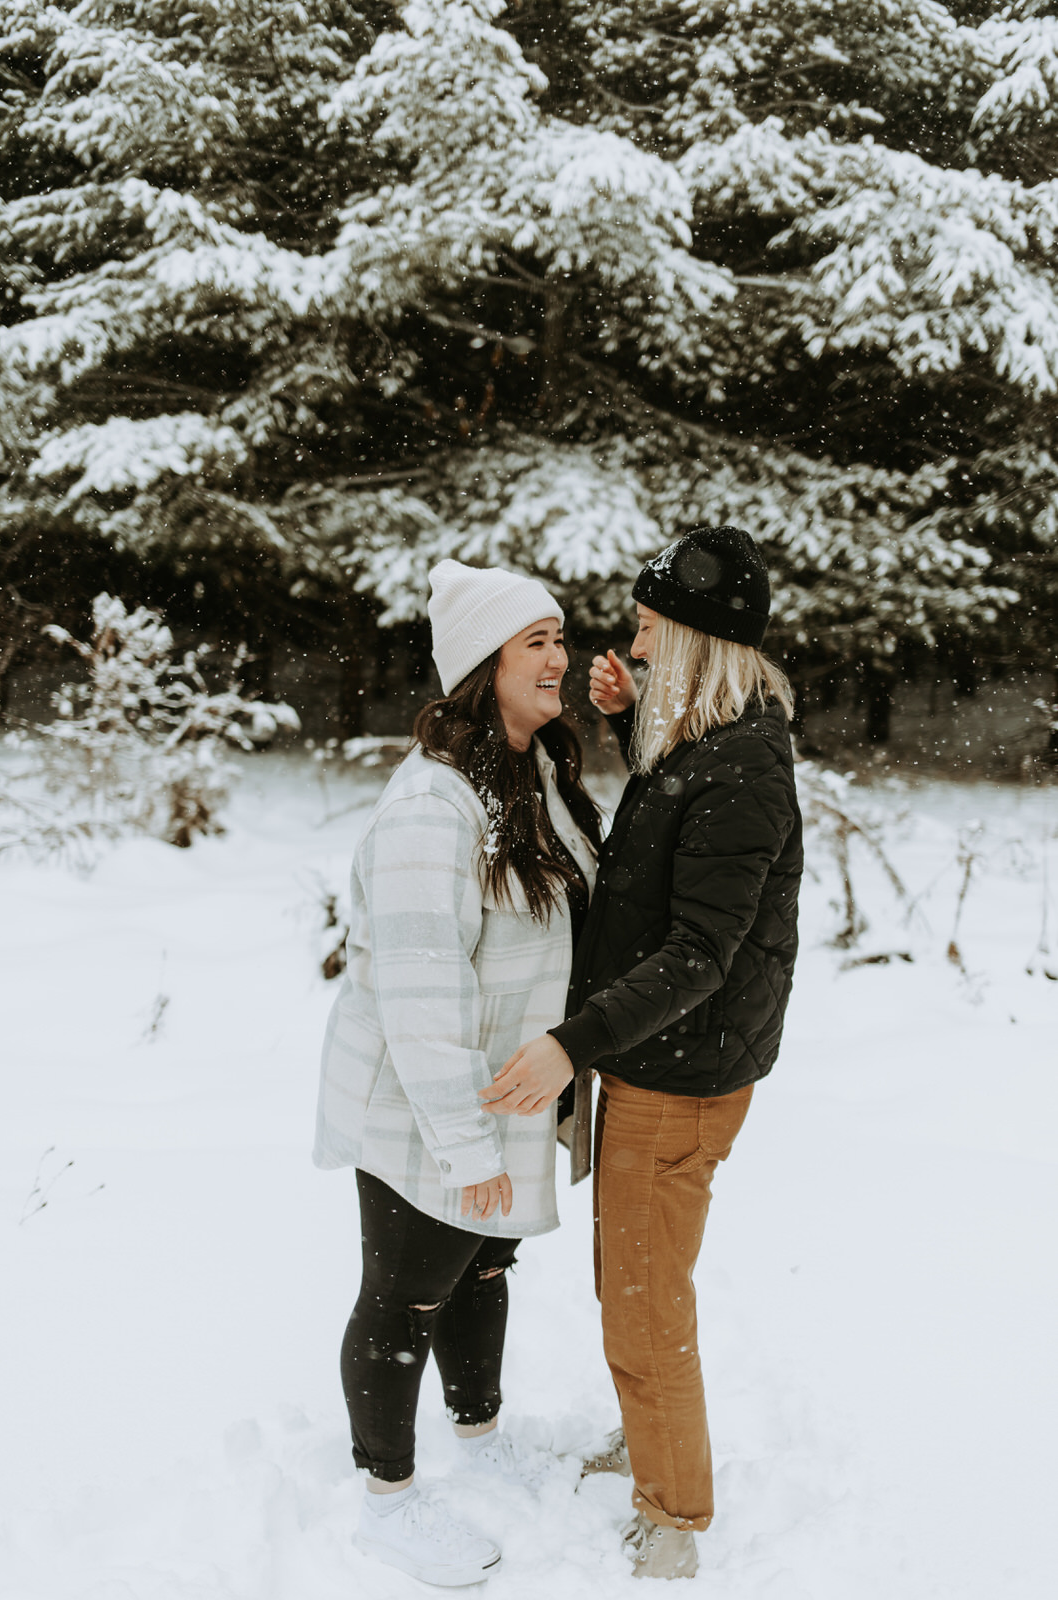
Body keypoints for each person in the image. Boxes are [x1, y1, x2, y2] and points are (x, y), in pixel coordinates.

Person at [480, 525, 803, 1580]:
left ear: (700, 640)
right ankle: (650, 1435)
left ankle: (673, 1516)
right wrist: (626, 729)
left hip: (679, 1070)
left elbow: (700, 950)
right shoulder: (713, 740)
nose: (634, 641)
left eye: (650, 626)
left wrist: (571, 1045)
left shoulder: (742, 766)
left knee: (644, 1294)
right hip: (661, 1059)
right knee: (633, 1278)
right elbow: (671, 842)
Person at [314, 559, 601, 1588]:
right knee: (402, 1296)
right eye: (536, 642)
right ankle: (385, 1499)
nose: (559, 658)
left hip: (500, 1092)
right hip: (424, 1103)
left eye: (560, 637)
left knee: (483, 1264)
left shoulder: (532, 779)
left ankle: (479, 1439)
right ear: (484, 664)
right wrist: (466, 1145)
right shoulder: (432, 807)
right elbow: (422, 998)